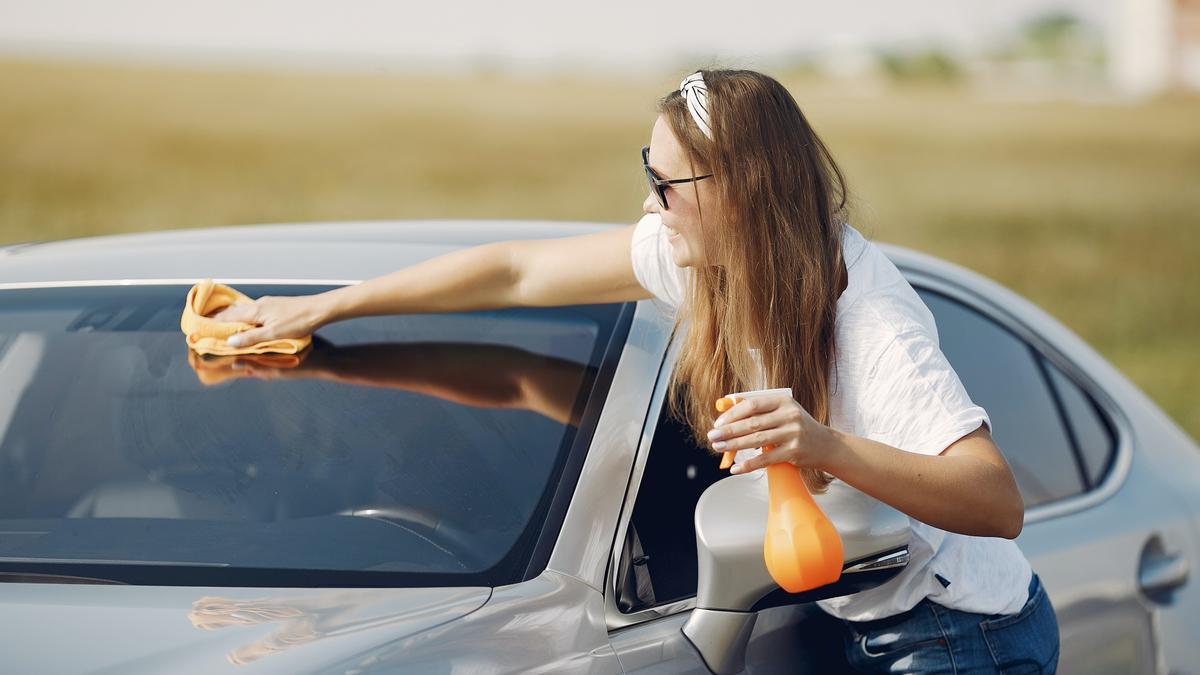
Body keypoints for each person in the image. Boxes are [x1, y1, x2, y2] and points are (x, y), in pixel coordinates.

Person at [213, 68, 1061, 673]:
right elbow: (514, 273)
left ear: (740, 190)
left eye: (668, 183)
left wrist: (822, 444)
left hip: (957, 640)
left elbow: (996, 500)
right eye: (646, 171)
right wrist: (321, 309)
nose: (651, 202)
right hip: (853, 622)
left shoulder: (868, 319)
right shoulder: (697, 255)